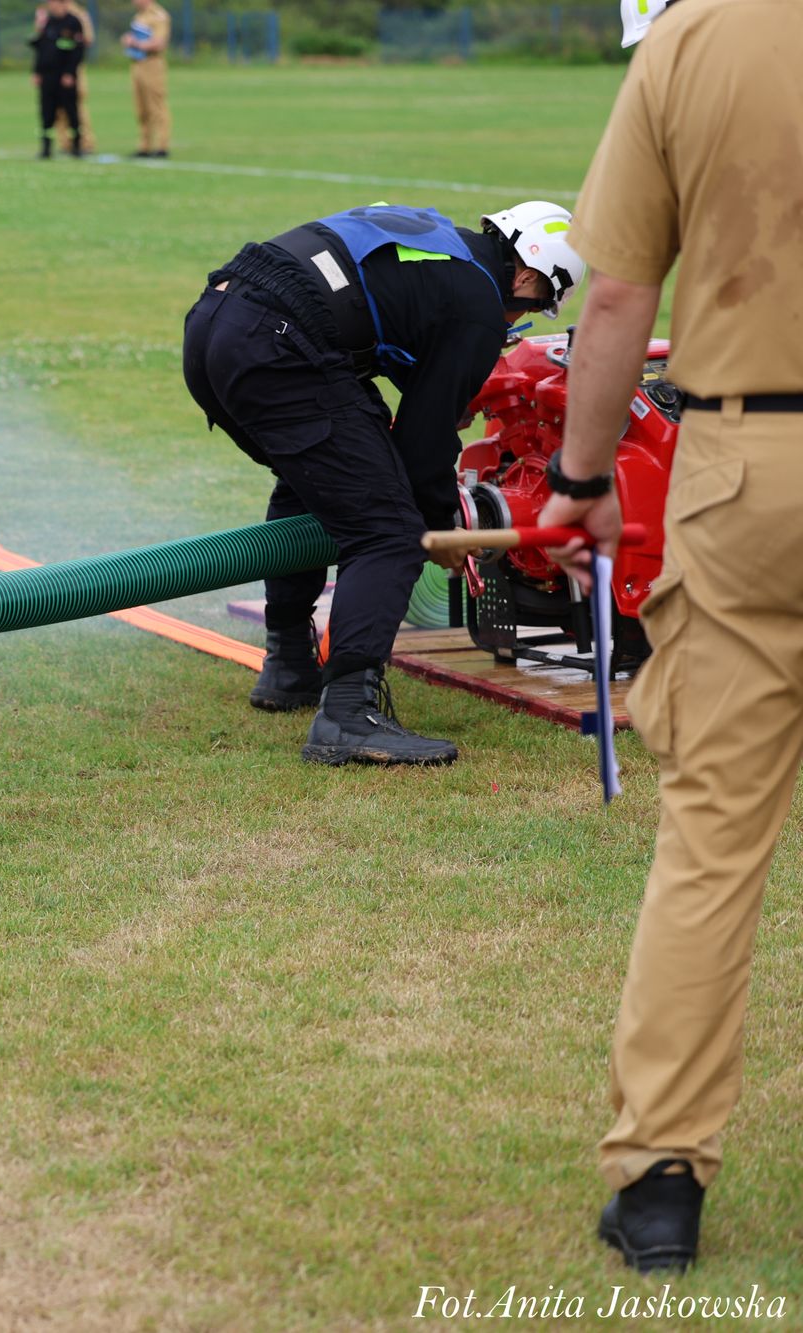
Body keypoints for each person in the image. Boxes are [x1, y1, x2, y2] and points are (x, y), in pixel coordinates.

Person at [539, 0, 803, 1276]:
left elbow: (618, 293)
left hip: (745, 468)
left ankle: (659, 1175)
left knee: (709, 838)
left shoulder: (693, 37)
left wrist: (581, 470)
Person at [181, 200, 581, 764]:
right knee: (391, 529)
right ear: (528, 275)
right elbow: (422, 453)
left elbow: (382, 310)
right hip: (279, 342)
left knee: (318, 482)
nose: (519, 320)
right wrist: (445, 527)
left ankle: (290, 663)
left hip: (214, 323)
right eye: (534, 305)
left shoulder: (445, 243)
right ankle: (347, 714)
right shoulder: (478, 303)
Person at [30, 0, 87, 160]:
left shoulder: (73, 22)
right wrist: (36, 72)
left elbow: (77, 50)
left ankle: (76, 146)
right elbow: (39, 48)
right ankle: (46, 148)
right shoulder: (47, 22)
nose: (51, 6)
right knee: (46, 111)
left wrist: (70, 72)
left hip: (65, 76)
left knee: (71, 110)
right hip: (48, 75)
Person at [122, 0, 171, 158]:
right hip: (137, 63)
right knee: (141, 108)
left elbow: (159, 43)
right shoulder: (139, 16)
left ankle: (161, 146)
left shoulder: (158, 15)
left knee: (156, 105)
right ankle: (145, 146)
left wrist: (135, 43)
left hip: (152, 64)